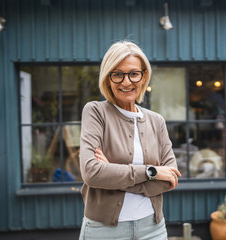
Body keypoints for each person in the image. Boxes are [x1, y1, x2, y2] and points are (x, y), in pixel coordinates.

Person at [79, 40, 181, 240]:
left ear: (144, 77)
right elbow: (91, 173)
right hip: (104, 231)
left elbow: (169, 179)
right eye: (117, 74)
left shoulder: (156, 121)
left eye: (134, 73)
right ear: (108, 79)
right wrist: (151, 172)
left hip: (153, 228)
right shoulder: (95, 112)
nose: (126, 82)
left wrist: (112, 174)